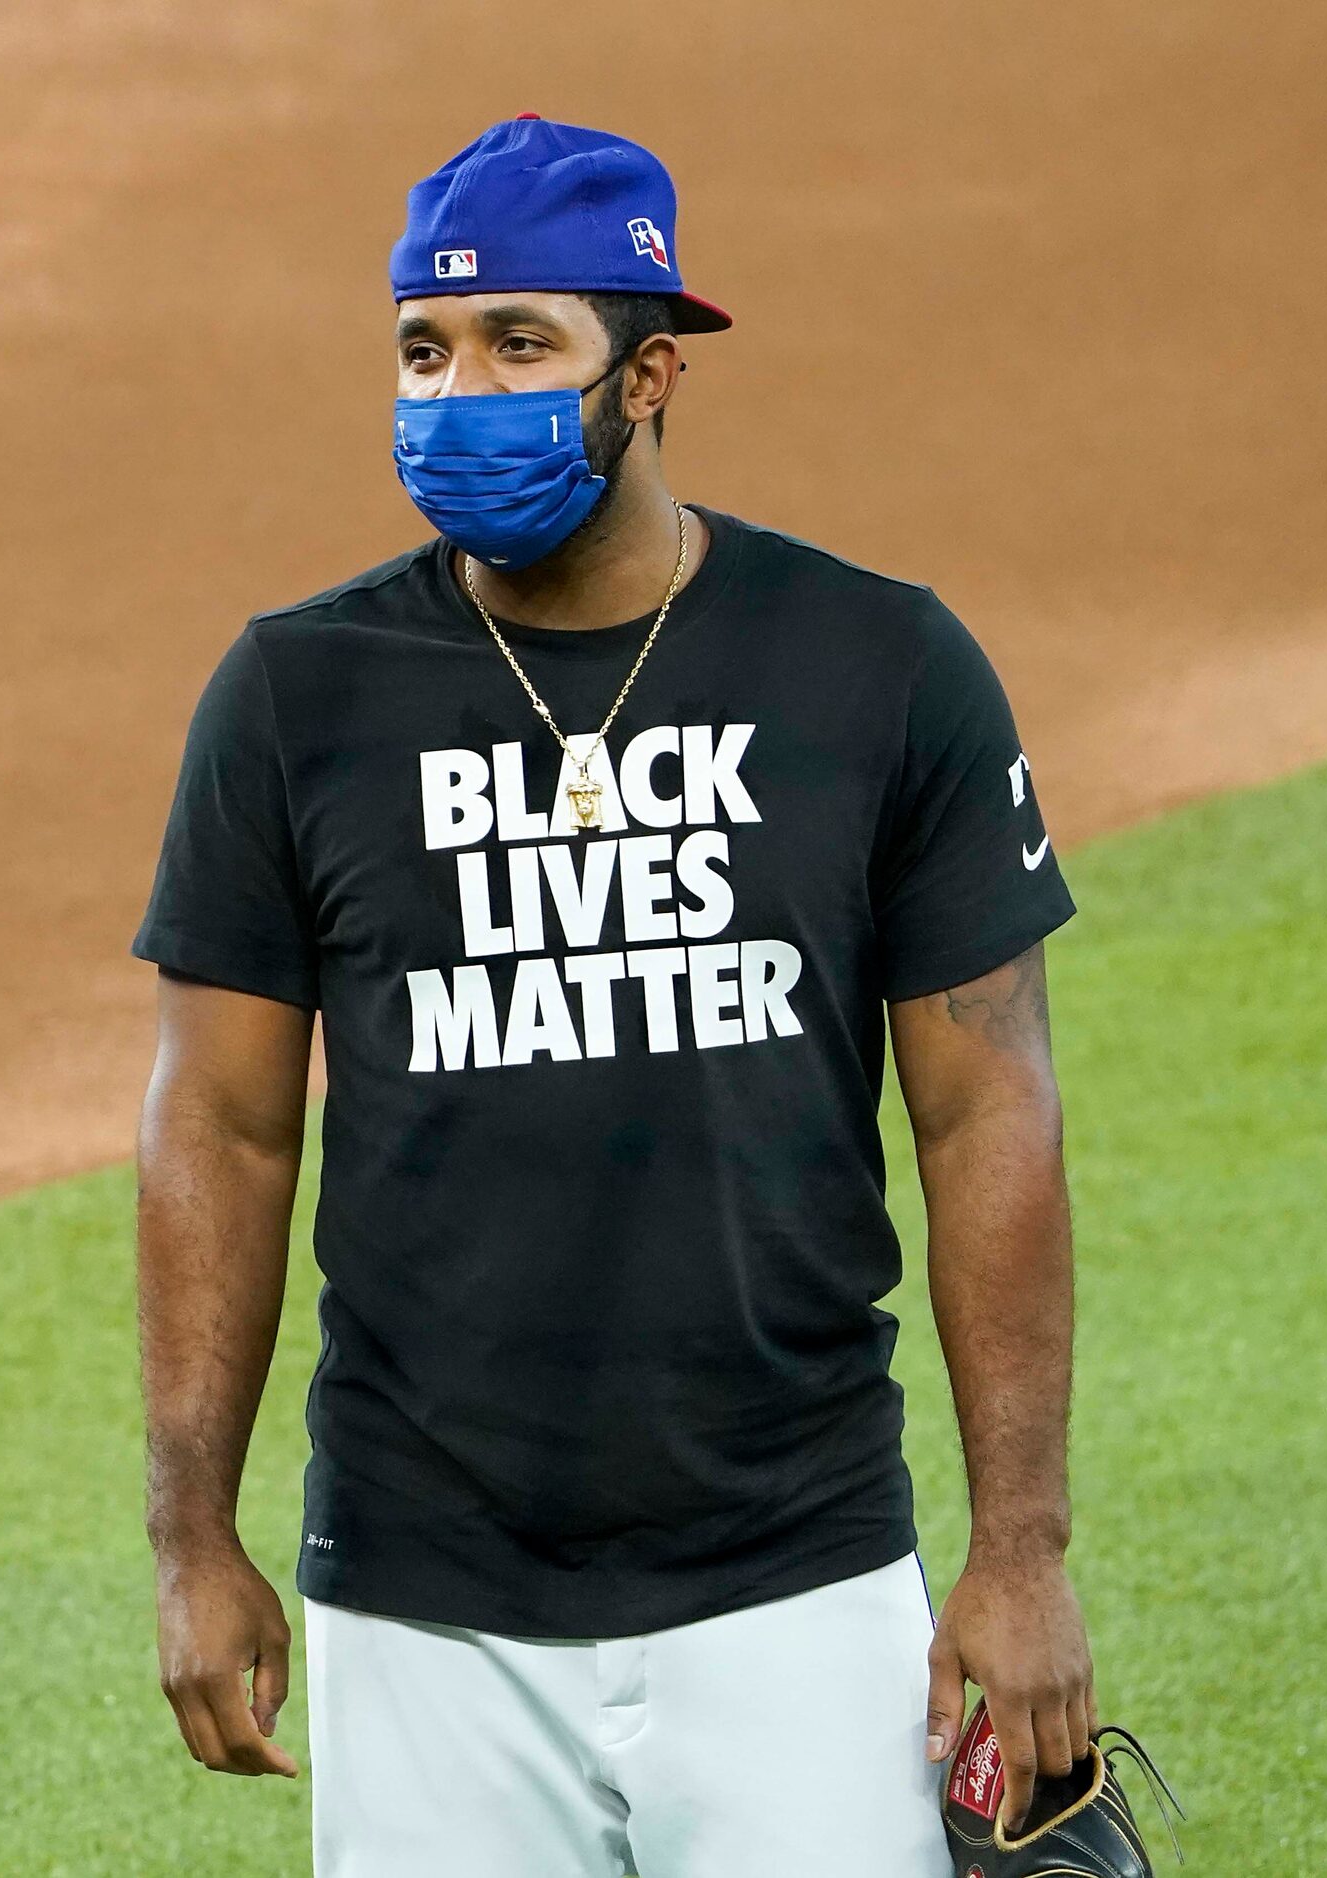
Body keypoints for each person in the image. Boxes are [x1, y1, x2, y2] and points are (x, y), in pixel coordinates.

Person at [132, 115, 1093, 1876]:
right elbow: (223, 1120)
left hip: (793, 1575)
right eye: (422, 350)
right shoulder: (292, 697)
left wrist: (1017, 1547)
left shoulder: (877, 664)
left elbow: (985, 1105)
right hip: (422, 1597)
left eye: (517, 346)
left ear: (648, 373)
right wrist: (189, 1531)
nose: (454, 393)